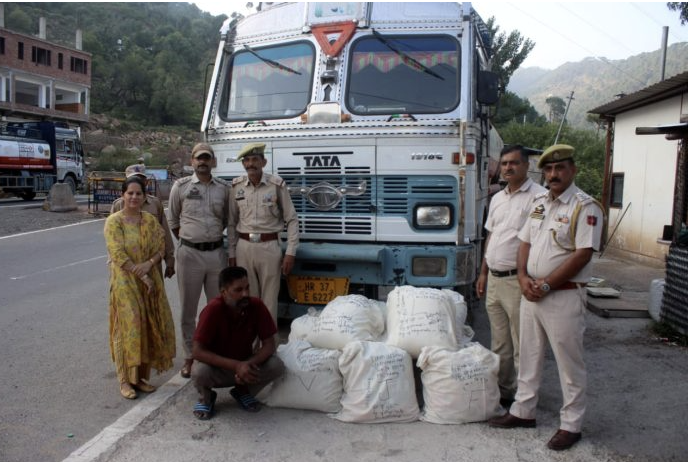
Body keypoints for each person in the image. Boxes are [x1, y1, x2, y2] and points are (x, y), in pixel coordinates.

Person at [488, 144, 604, 451]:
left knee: (569, 363)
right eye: (549, 169)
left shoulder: (585, 207)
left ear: (573, 170)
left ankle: (571, 424)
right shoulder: (540, 204)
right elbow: (525, 242)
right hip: (531, 292)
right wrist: (524, 277)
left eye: (560, 168)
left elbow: (583, 254)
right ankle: (523, 411)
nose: (553, 174)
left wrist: (547, 285)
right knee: (528, 355)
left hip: (562, 296)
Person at [476, 145, 546, 409]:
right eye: (504, 163)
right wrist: (482, 272)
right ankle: (505, 391)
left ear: (527, 166)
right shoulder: (497, 198)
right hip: (493, 279)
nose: (508, 168)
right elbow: (491, 237)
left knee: (523, 343)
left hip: (517, 281)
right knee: (500, 342)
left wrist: (525, 275)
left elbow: (537, 241)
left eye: (514, 163)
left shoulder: (539, 198)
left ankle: (525, 398)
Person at [104, 176, 176, 400]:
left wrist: (149, 265)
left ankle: (140, 378)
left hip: (149, 276)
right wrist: (140, 273)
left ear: (144, 197)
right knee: (130, 326)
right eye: (130, 193)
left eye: (138, 193)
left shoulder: (149, 220)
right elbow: (117, 253)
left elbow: (161, 246)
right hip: (125, 281)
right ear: (123, 195)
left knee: (147, 324)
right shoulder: (114, 221)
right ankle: (125, 380)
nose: (134, 197)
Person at [168, 143, 231, 379]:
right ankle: (190, 356)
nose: (203, 162)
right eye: (198, 158)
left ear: (213, 162)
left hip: (216, 253)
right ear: (192, 161)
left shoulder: (224, 189)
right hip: (189, 255)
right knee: (188, 310)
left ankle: (214, 354)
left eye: (207, 158)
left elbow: (227, 219)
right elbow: (173, 220)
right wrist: (191, 241)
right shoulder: (181, 186)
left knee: (217, 309)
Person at [191, 266, 285, 420]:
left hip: (246, 364)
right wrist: (237, 366)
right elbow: (197, 351)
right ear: (224, 292)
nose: (245, 294)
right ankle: (206, 398)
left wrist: (247, 365)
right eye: (238, 290)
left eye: (247, 288)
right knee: (199, 372)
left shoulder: (256, 306)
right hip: (218, 369)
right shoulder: (212, 310)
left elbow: (269, 345)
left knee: (276, 366)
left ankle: (242, 391)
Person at [227, 142, 299, 324]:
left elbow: (291, 219)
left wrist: (290, 252)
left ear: (264, 162)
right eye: (247, 160)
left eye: (255, 160)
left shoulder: (276, 185)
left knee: (269, 301)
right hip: (244, 248)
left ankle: (268, 348)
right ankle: (250, 346)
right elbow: (231, 222)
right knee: (247, 299)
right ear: (244, 164)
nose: (251, 164)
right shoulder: (236, 187)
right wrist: (232, 253)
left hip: (269, 247)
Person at [111, 164, 175, 278]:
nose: (137, 182)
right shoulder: (117, 205)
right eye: (133, 179)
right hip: (126, 267)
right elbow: (113, 241)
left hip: (152, 264)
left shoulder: (155, 204)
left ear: (146, 182)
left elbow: (164, 233)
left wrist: (170, 260)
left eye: (141, 179)